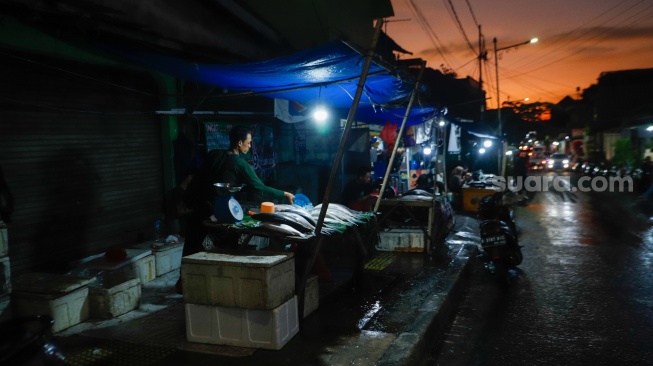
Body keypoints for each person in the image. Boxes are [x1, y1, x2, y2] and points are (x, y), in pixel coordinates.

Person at [177, 126, 294, 293]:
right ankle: (225, 285)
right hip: (218, 212)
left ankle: (183, 283)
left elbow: (201, 177)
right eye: (248, 143)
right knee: (228, 244)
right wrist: (284, 194)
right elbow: (259, 188)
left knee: (191, 245)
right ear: (239, 143)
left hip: (199, 208)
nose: (250, 146)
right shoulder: (240, 164)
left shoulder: (214, 154)